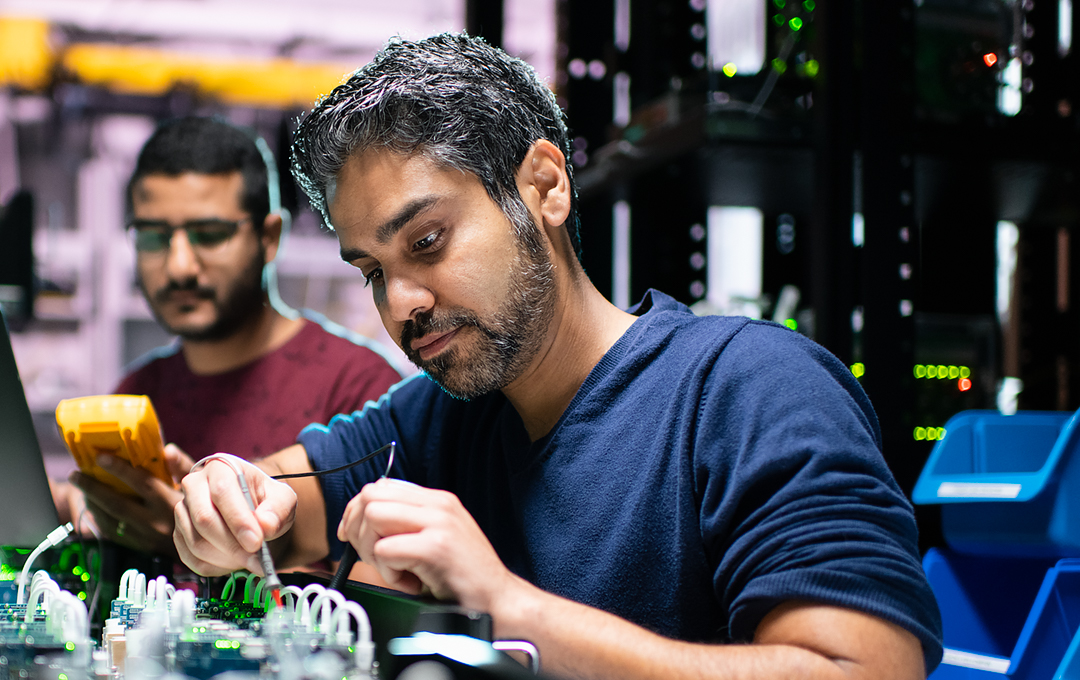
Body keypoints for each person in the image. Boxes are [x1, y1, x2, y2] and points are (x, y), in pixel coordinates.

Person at [171, 35, 944, 680]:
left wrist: (507, 611)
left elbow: (867, 669)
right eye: (373, 271)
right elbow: (274, 501)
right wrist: (223, 500)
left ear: (543, 186)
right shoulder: (447, 416)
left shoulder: (749, 390)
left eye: (428, 242)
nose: (400, 302)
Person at [67, 117, 403, 555]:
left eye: (210, 235)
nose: (179, 266)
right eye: (154, 237)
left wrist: (201, 539)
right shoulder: (139, 394)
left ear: (269, 237)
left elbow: (389, 588)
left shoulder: (360, 391)